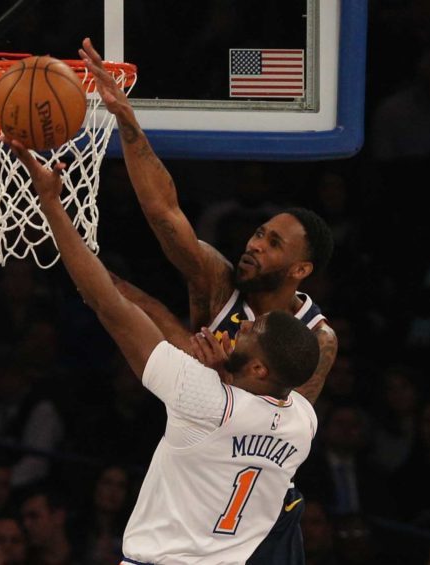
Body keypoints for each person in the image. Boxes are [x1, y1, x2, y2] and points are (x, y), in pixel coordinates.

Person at [79, 37, 338, 562]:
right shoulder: (219, 281)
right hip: (200, 472)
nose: (253, 244)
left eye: (272, 244)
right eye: (259, 233)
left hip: (261, 508)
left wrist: (216, 377)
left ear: (301, 270)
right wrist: (127, 122)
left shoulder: (318, 338)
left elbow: (273, 430)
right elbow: (163, 211)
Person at [9, 139, 320, 562]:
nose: (242, 324)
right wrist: (225, 377)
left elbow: (107, 302)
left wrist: (51, 204)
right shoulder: (301, 424)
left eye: (251, 329)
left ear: (261, 369)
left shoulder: (203, 397)